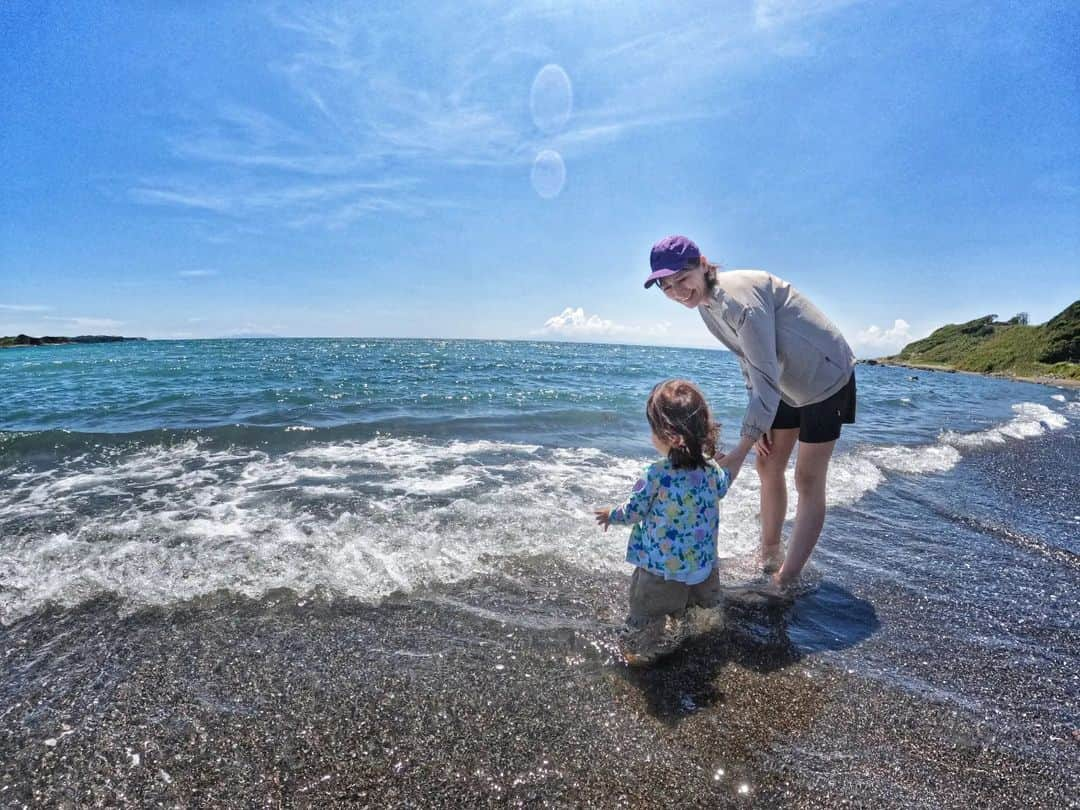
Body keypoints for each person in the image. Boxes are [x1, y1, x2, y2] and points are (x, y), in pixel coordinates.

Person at [643, 235, 856, 591]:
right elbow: (749, 362)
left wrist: (739, 450)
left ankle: (787, 576)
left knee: (807, 478)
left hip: (825, 377)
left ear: (703, 264)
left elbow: (765, 380)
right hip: (783, 378)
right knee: (769, 464)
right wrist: (758, 429)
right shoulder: (705, 306)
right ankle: (769, 551)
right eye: (667, 287)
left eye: (683, 279)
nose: (678, 291)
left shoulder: (739, 301)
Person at [594, 379, 737, 663]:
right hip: (703, 570)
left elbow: (634, 511)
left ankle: (640, 657)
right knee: (702, 614)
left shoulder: (656, 474)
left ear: (671, 436)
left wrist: (612, 514)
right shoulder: (711, 469)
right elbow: (723, 486)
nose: (651, 435)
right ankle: (697, 641)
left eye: (653, 429)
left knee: (645, 621)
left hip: (661, 572)